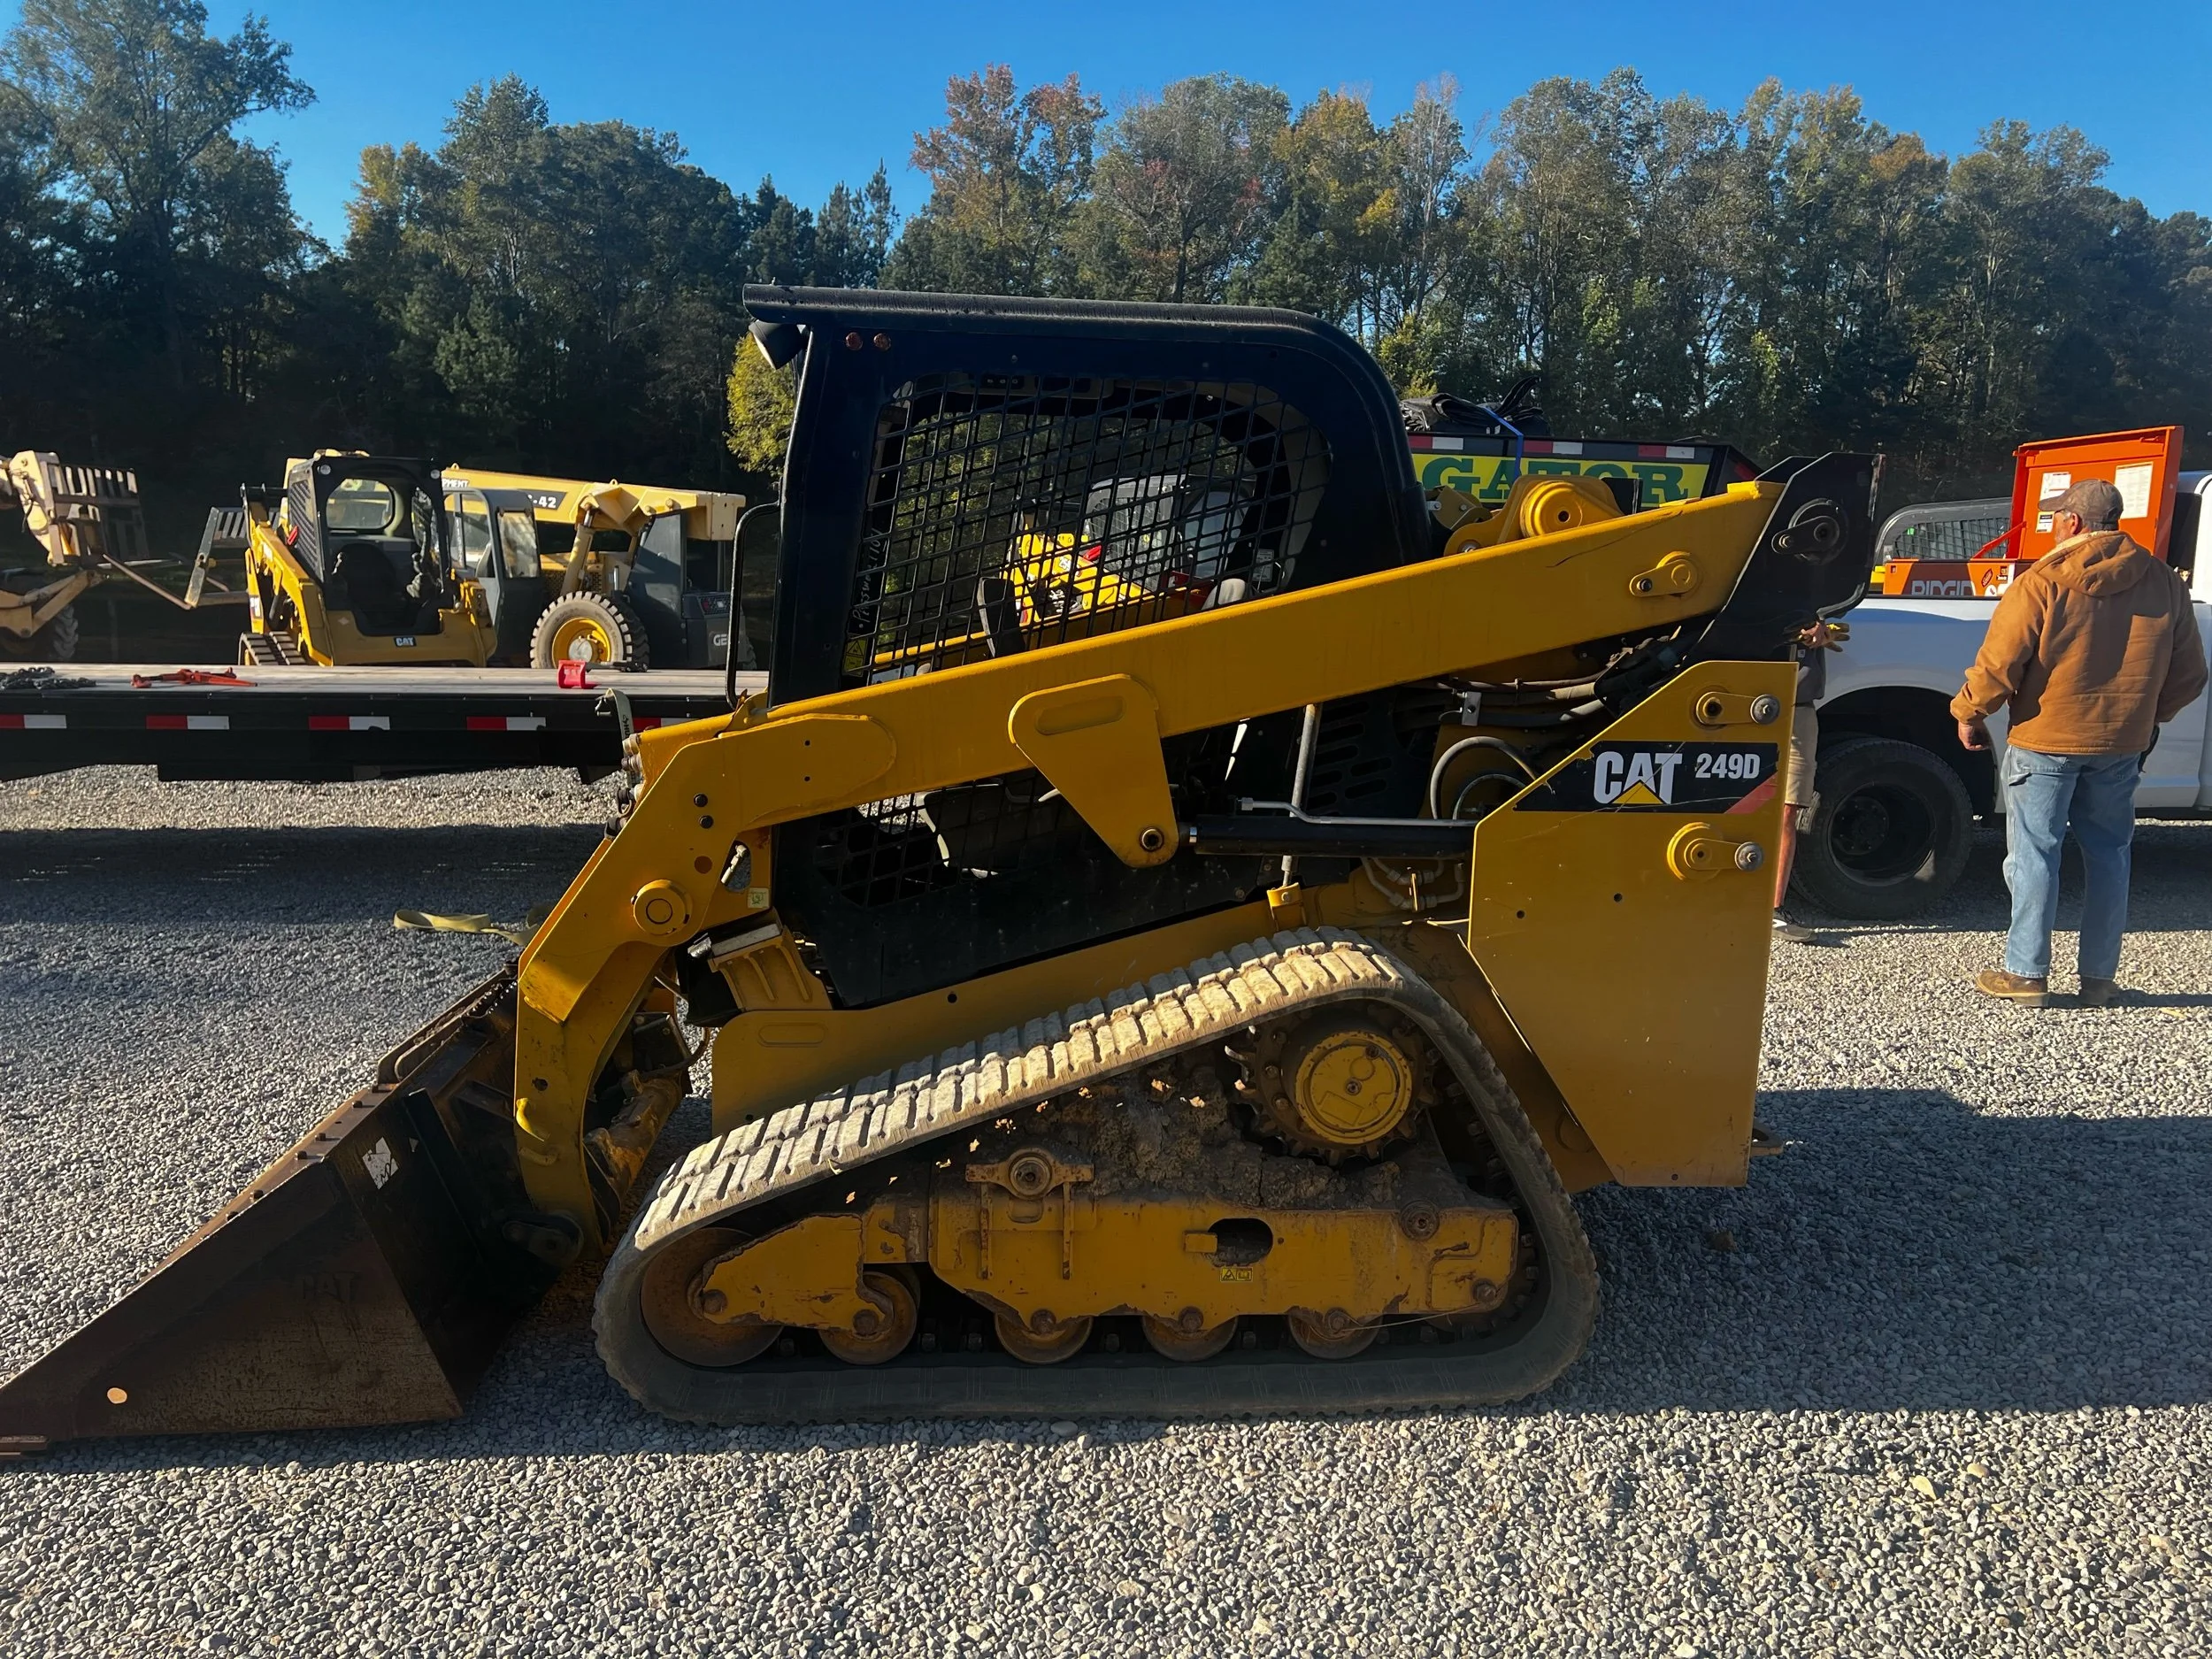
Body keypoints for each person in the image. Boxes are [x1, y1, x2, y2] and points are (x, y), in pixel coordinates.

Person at [1954, 476, 2206, 1006]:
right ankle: (2099, 979)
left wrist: (1969, 712)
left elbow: (2000, 665)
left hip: (2046, 738)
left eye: (2053, 518)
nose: (2050, 528)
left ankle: (2026, 974)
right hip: (2122, 743)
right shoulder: (2163, 581)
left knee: (2035, 855)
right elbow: (2190, 675)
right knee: (2111, 854)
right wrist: (2146, 717)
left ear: (2072, 522)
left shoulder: (2041, 581)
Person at [1773, 617, 1843, 943]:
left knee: (1789, 808)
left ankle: (1774, 908)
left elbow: (1839, 609)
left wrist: (1821, 624)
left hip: (1798, 707)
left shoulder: (1816, 591)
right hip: (1743, 701)